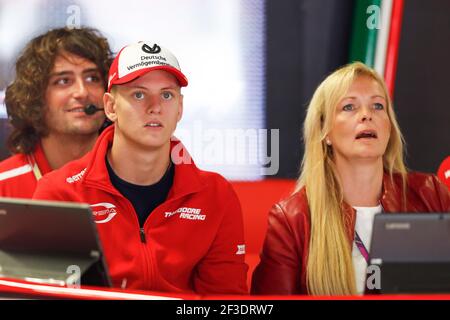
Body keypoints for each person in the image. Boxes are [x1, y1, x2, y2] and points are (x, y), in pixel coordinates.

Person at [32, 41, 248, 294]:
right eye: (139, 94)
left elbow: (225, 301)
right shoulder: (59, 193)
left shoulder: (216, 195)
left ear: (180, 108)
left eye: (167, 95)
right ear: (111, 107)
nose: (155, 107)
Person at [251, 62, 450, 296]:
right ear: (324, 131)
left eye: (378, 106)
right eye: (349, 107)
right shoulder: (293, 219)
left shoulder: (430, 194)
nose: (367, 115)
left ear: (389, 126)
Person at [0, 27, 112, 198]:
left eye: (92, 78)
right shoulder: (4, 184)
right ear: (35, 96)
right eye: (63, 81)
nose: (82, 92)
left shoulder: (139, 175)